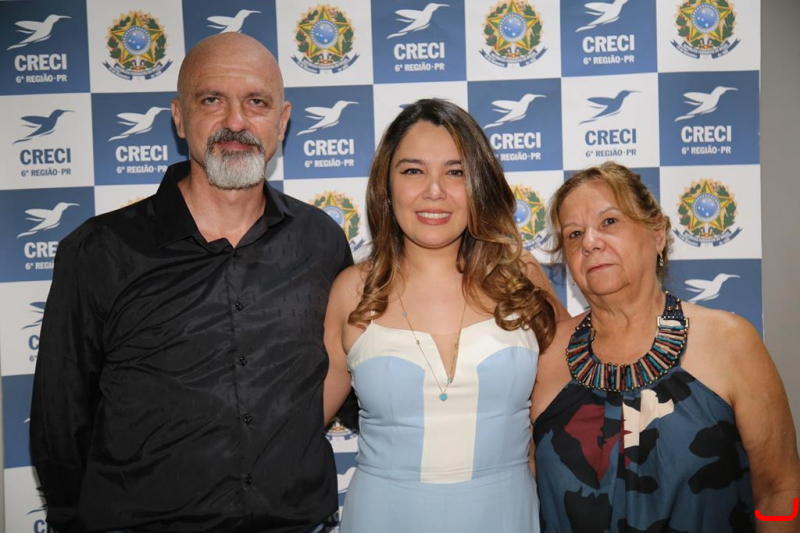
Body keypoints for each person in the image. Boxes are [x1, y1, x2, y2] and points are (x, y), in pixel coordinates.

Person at [29, 33, 352, 532]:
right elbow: (61, 418)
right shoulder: (99, 251)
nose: (236, 121)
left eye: (257, 102)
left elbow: (356, 371)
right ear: (179, 117)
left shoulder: (321, 241)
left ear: (282, 120)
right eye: (211, 100)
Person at [323, 98, 566, 532]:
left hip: (507, 517)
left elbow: (572, 408)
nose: (434, 190)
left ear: (479, 184)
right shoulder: (352, 291)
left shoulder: (520, 278)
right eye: (413, 171)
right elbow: (298, 425)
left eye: (455, 172)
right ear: (386, 185)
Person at [532, 162, 800, 532]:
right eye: (574, 234)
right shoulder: (543, 358)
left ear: (657, 233)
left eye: (609, 221)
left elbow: (779, 489)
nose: (590, 242)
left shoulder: (729, 341)